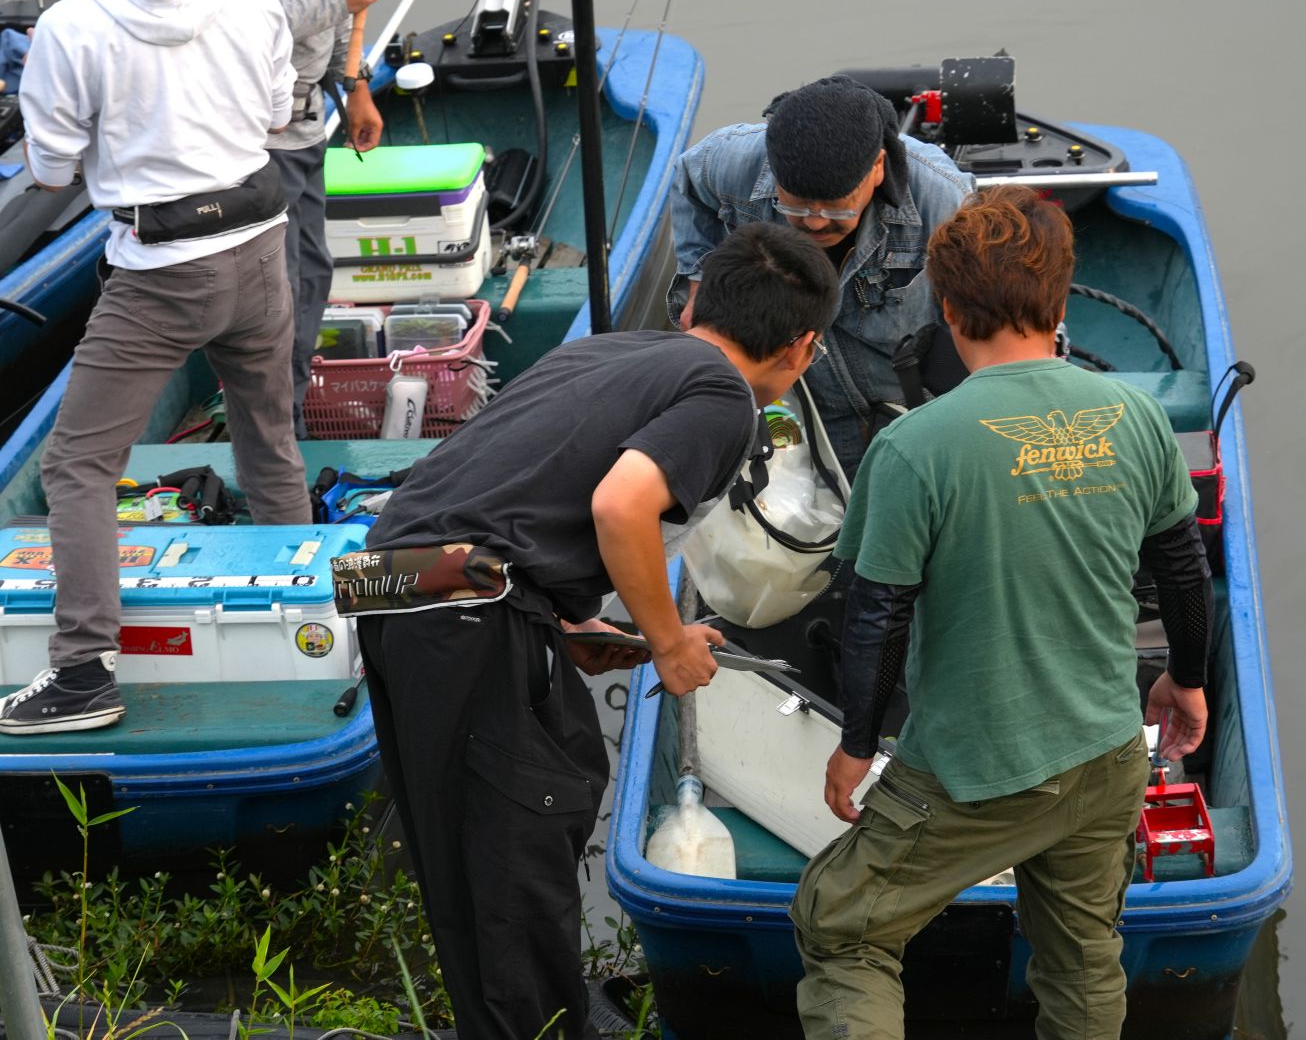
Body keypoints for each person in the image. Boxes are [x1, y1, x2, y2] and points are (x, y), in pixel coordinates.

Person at [346, 222, 840, 1040]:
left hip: (392, 582)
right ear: (802, 348)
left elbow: (510, 488)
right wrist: (670, 641)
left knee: (469, 869)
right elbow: (620, 504)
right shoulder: (725, 396)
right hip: (464, 608)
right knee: (515, 862)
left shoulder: (609, 352)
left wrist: (566, 619)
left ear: (693, 304)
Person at [789, 185, 1214, 1040]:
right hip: (1105, 755)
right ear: (1059, 305)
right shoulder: (1135, 417)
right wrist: (1187, 681)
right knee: (1083, 956)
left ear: (947, 310)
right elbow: (1182, 570)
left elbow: (877, 618)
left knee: (841, 927)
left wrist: (857, 744)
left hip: (973, 772)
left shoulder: (914, 447)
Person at [0, 0, 311, 736]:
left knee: (76, 464)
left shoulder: (70, 28)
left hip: (161, 272)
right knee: (268, 438)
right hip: (260, 244)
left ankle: (82, 672)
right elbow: (277, 116)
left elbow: (50, 171)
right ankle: (308, 622)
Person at [668, 74, 973, 476]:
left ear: (877, 168)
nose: (814, 223)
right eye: (794, 205)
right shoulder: (732, 160)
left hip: (909, 406)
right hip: (804, 405)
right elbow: (689, 181)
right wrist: (698, 283)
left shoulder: (945, 200)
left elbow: (986, 312)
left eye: (835, 208)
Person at [264, 0, 384, 437]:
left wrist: (356, 87)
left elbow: (341, 4)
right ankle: (278, 429)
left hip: (307, 132)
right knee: (280, 291)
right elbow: (233, 30)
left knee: (313, 273)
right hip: (259, 145)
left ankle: (288, 409)